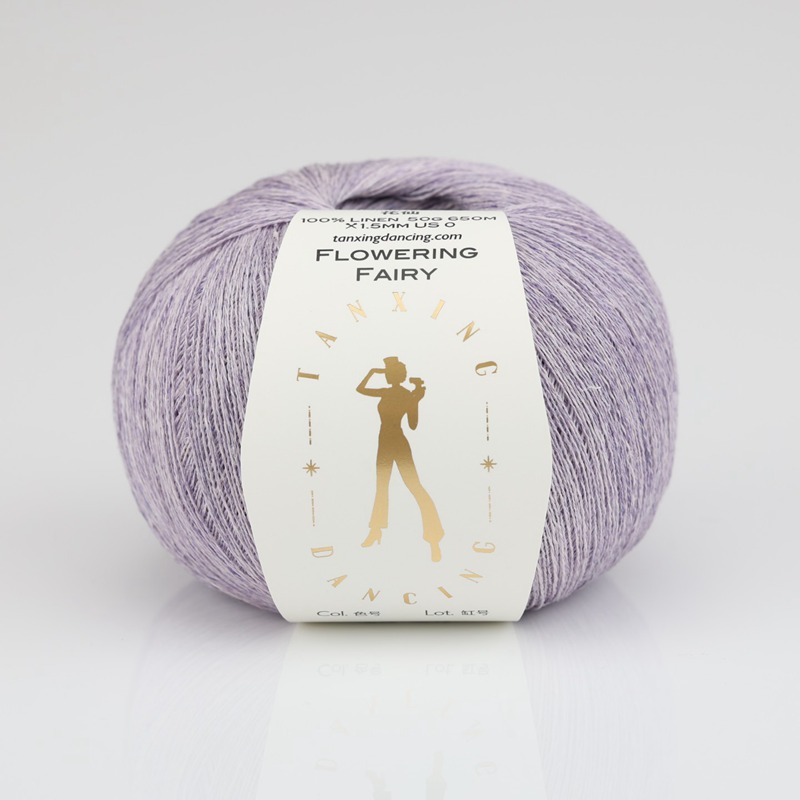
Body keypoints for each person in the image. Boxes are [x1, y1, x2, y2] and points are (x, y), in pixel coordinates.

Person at [356, 356, 444, 562]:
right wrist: (373, 372)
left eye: (387, 373)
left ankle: (434, 540)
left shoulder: (402, 395)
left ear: (394, 375)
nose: (386, 376)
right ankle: (376, 530)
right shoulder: (394, 393)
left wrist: (416, 401)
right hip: (385, 442)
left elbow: (412, 425)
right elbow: (360, 389)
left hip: (396, 441)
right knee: (382, 486)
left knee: (414, 486)